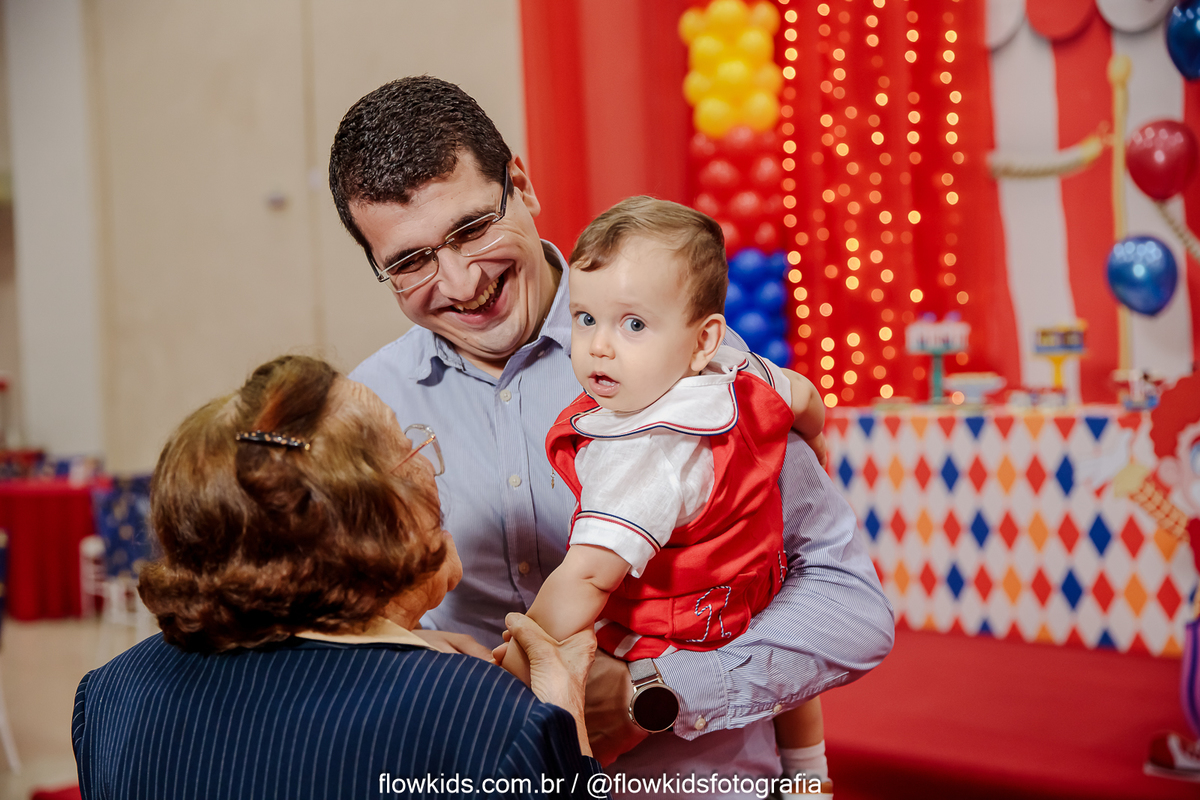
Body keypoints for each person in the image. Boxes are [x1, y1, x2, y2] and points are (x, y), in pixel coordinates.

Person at [331, 76, 894, 796]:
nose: (462, 282)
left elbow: (849, 605)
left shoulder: (689, 365)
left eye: (472, 230)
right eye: (411, 262)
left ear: (522, 185)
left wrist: (655, 693)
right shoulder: (365, 411)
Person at [71, 355, 602, 799]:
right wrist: (565, 722)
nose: (428, 468)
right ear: (379, 519)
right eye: (409, 450)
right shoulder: (486, 719)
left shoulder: (110, 692)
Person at [501, 197, 832, 795]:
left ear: (703, 339)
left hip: (680, 620)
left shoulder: (643, 451)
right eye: (585, 318)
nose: (600, 346)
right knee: (793, 678)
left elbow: (588, 576)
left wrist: (527, 652)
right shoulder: (738, 372)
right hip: (752, 587)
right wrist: (814, 447)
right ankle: (811, 778)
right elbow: (805, 396)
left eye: (633, 325)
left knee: (589, 687)